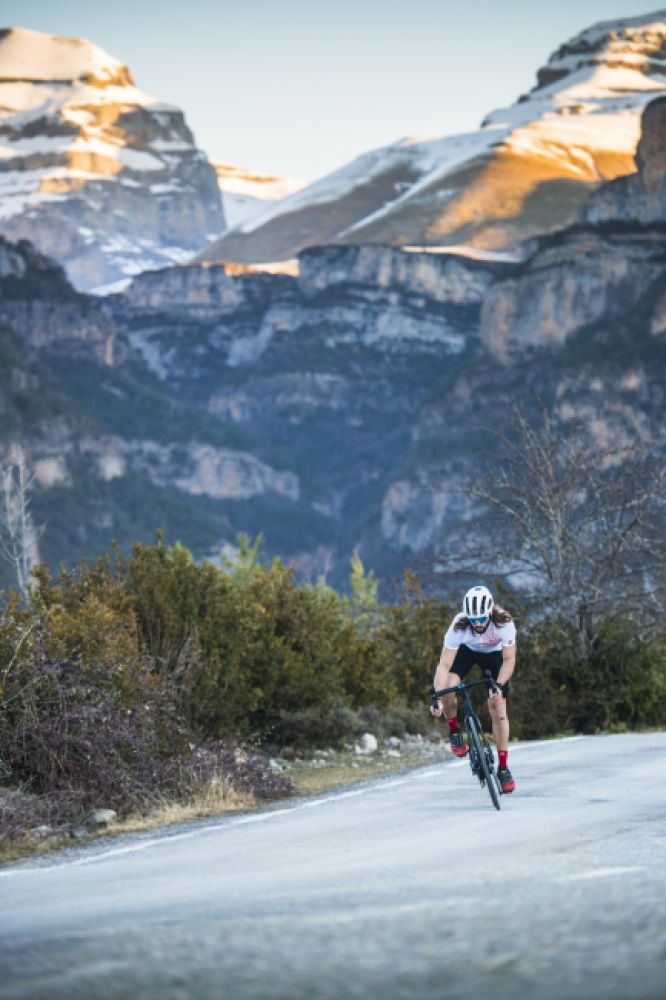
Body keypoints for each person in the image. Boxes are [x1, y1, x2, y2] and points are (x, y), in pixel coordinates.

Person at [431, 585, 517, 793]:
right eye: (473, 619)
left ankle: (503, 768)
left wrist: (499, 684)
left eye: (481, 619)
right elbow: (443, 666)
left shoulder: (503, 621)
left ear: (489, 612)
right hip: (468, 652)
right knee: (449, 688)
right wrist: (437, 697)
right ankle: (454, 729)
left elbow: (509, 660)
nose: (477, 623)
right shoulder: (459, 625)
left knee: (497, 706)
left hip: (495, 656)